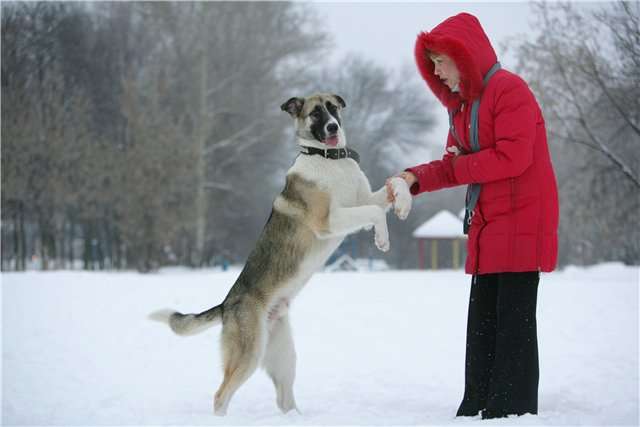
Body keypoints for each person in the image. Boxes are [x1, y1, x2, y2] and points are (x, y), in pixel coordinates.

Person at [387, 13, 559, 419]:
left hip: (521, 219)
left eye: (440, 61)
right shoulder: (464, 108)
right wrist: (413, 178)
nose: (436, 71)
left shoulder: (509, 90)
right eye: (431, 64)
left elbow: (513, 158)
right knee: (482, 321)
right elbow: (454, 166)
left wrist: (464, 163)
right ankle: (479, 401)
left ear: (462, 57)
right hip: (488, 222)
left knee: (512, 323)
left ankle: (511, 408)